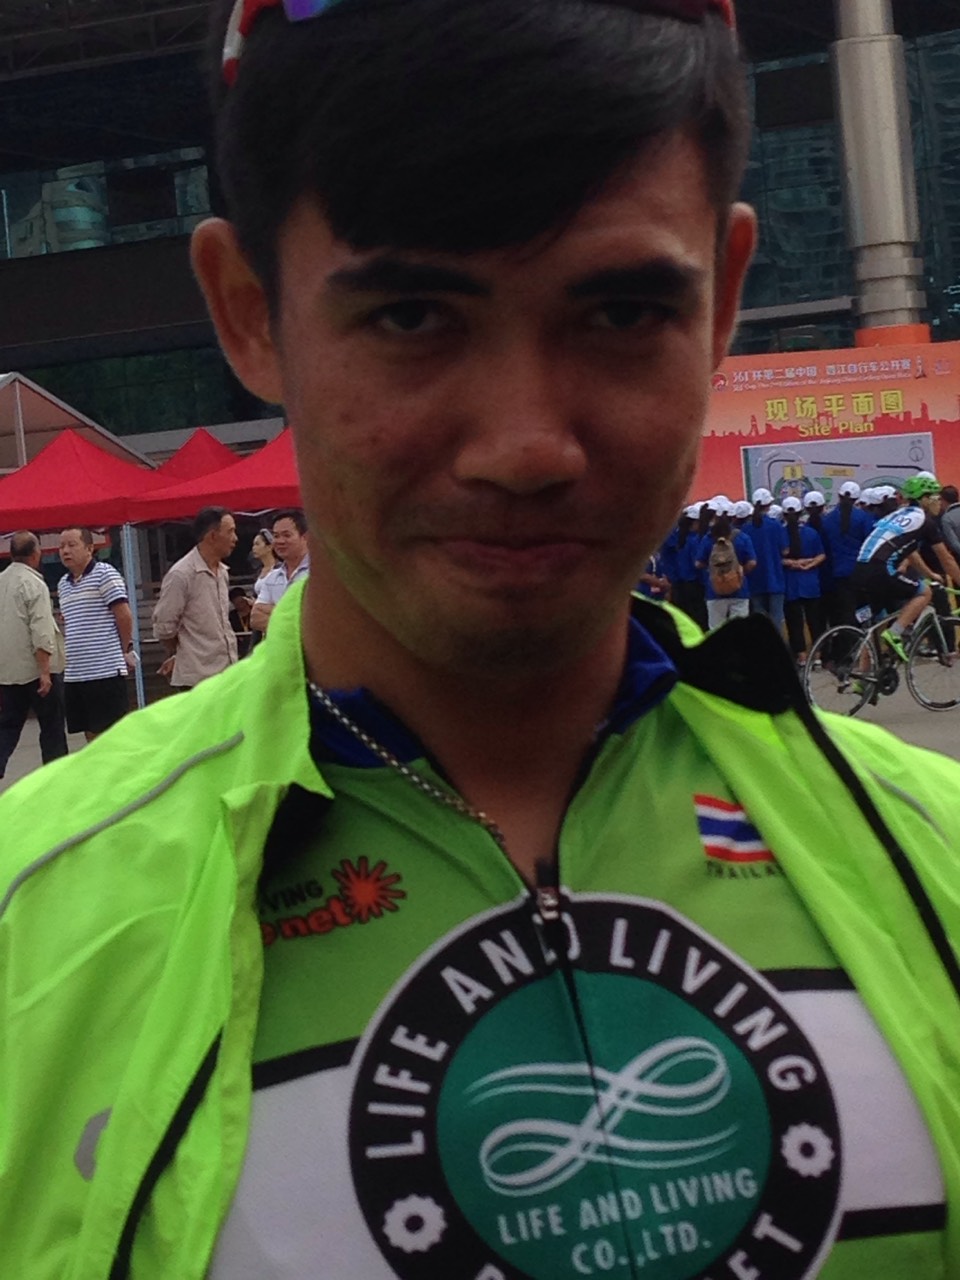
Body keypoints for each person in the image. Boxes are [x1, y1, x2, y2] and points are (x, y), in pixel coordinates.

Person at [2, 1, 960, 1276]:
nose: (526, 446)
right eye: (411, 316)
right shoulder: (27, 926)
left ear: (726, 296)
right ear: (248, 312)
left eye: (622, 313)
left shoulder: (933, 853)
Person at [851, 474, 960, 662]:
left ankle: (862, 675)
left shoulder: (898, 515)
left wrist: (930, 574)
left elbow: (911, 553)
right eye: (934, 496)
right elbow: (947, 559)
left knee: (876, 624)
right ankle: (895, 633)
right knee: (924, 593)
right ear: (923, 499)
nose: (937, 501)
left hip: (861, 569)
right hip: (881, 569)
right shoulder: (924, 521)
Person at [56, 526, 136, 741]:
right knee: (89, 732)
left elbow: (124, 615)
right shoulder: (63, 584)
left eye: (72, 545)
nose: (65, 551)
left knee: (112, 733)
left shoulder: (105, 574)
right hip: (76, 672)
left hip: (104, 671)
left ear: (89, 548)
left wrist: (123, 649)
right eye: (62, 546)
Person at [0, 531, 68, 776]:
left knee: (7, 727)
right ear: (35, 554)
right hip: (37, 670)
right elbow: (41, 630)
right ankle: (55, 775)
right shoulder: (34, 584)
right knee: (51, 727)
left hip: (7, 672)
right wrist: (45, 671)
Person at [153, 506, 239, 689]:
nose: (235, 538)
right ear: (212, 536)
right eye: (230, 532)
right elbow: (164, 627)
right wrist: (184, 651)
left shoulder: (222, 572)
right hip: (197, 678)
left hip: (227, 673)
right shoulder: (181, 574)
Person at [694, 498, 757, 629]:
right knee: (740, 629)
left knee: (716, 630)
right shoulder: (742, 537)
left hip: (714, 590)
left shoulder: (708, 538)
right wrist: (739, 571)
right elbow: (752, 562)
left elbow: (698, 563)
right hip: (739, 589)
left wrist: (713, 569)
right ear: (732, 516)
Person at [248, 507, 310, 634]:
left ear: (305, 537)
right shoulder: (272, 577)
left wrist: (273, 612)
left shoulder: (319, 575)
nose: (280, 541)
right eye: (276, 536)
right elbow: (255, 618)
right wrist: (294, 619)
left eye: (287, 535)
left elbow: (316, 619)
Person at [780, 496, 825, 666]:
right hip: (810, 582)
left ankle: (801, 657)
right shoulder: (811, 533)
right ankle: (818, 655)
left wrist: (793, 563)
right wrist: (809, 564)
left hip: (790, 583)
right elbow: (821, 555)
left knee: (795, 623)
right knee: (815, 621)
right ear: (801, 512)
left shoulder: (780, 533)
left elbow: (777, 559)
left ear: (784, 514)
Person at [745, 486, 788, 631]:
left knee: (759, 622)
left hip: (754, 580)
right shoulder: (776, 526)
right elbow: (785, 550)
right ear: (769, 505)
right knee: (776, 620)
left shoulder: (746, 528)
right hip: (775, 579)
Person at [251, 526, 278, 596]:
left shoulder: (280, 568)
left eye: (257, 544)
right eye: (253, 545)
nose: (253, 548)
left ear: (269, 547)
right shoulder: (258, 571)